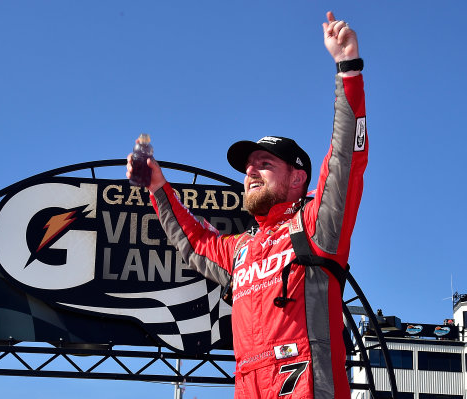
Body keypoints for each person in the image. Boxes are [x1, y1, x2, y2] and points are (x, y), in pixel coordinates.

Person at [127, 11, 366, 399]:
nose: (251, 172)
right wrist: (157, 186)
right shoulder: (240, 251)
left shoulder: (317, 225)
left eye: (265, 164)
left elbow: (346, 159)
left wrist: (348, 70)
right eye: (248, 167)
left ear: (297, 177)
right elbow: (194, 241)